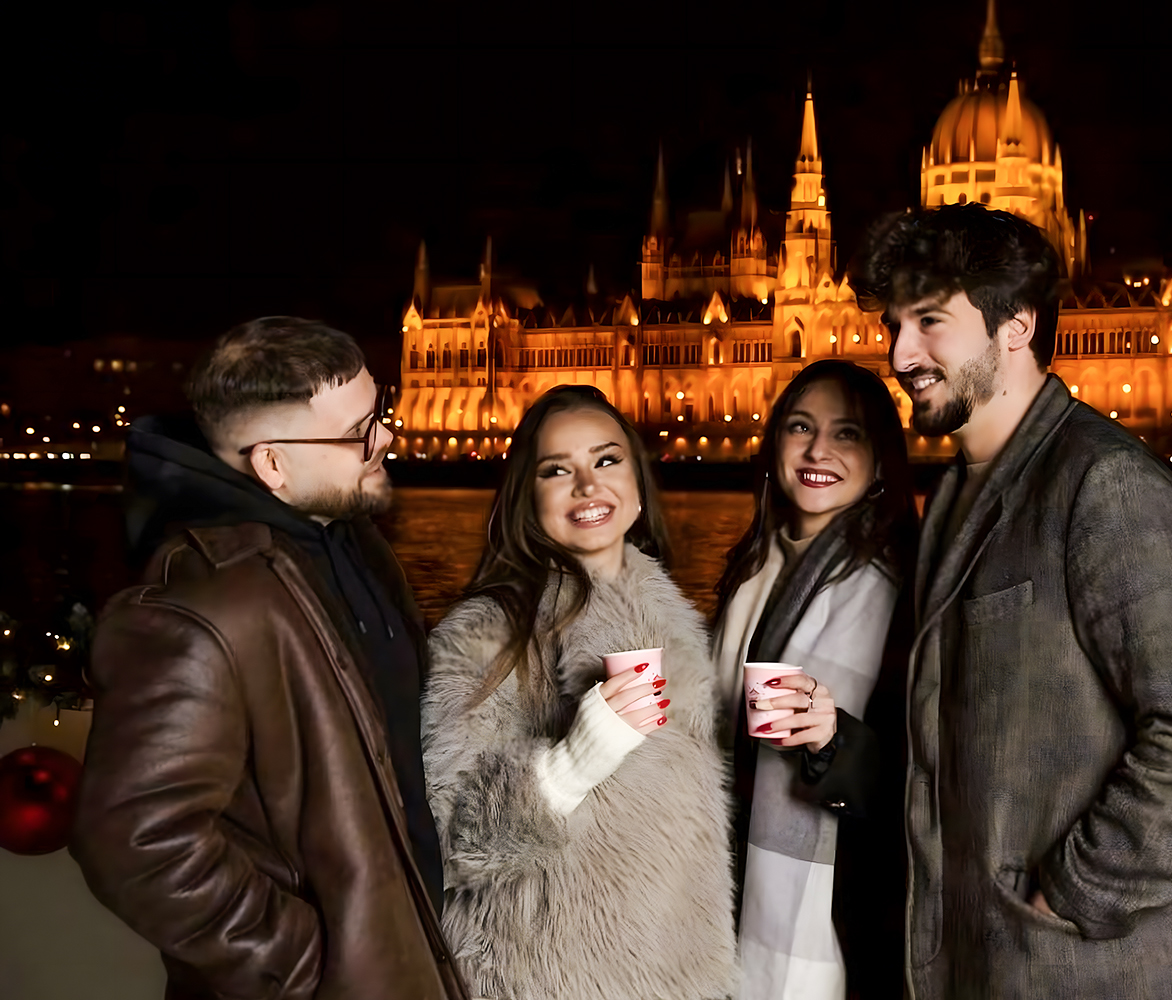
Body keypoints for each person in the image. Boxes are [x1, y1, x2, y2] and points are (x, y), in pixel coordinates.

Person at [850, 203, 1172, 998]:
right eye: (894, 325)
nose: (900, 354)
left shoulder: (1104, 484)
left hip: (1101, 968)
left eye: (930, 321)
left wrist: (1074, 890)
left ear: (1016, 325)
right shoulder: (953, 498)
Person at [71, 317, 467, 1000]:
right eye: (357, 434)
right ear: (273, 464)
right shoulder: (199, 607)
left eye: (382, 412)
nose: (387, 440)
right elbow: (135, 844)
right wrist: (312, 968)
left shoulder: (352, 542)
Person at [422, 385, 737, 1000]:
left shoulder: (669, 615)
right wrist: (570, 765)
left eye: (607, 460)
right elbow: (450, 838)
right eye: (557, 470)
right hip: (544, 976)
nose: (589, 486)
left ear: (638, 480)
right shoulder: (488, 631)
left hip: (677, 969)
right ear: (527, 495)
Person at [711, 360, 917, 1000]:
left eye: (847, 433)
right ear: (774, 445)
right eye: (800, 427)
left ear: (881, 459)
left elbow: (926, 772)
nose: (818, 449)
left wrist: (833, 740)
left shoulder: (901, 591)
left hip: (842, 906)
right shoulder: (750, 569)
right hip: (723, 878)